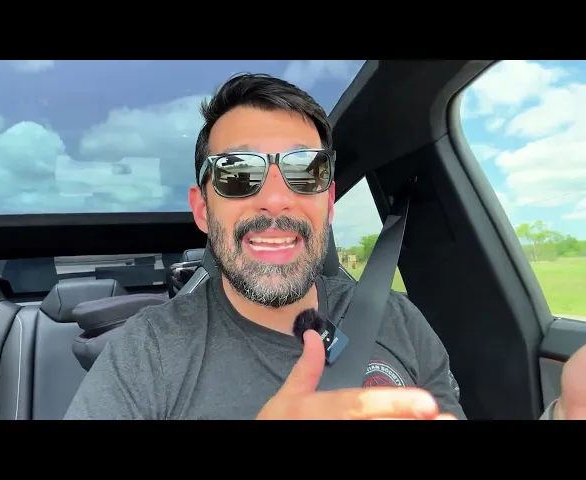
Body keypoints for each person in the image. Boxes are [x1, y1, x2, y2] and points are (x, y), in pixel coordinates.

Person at [65, 73, 584, 420]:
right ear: (202, 209)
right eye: (237, 173)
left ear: (328, 201)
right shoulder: (147, 354)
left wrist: (565, 411)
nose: (275, 198)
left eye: (304, 171)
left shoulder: (399, 323)